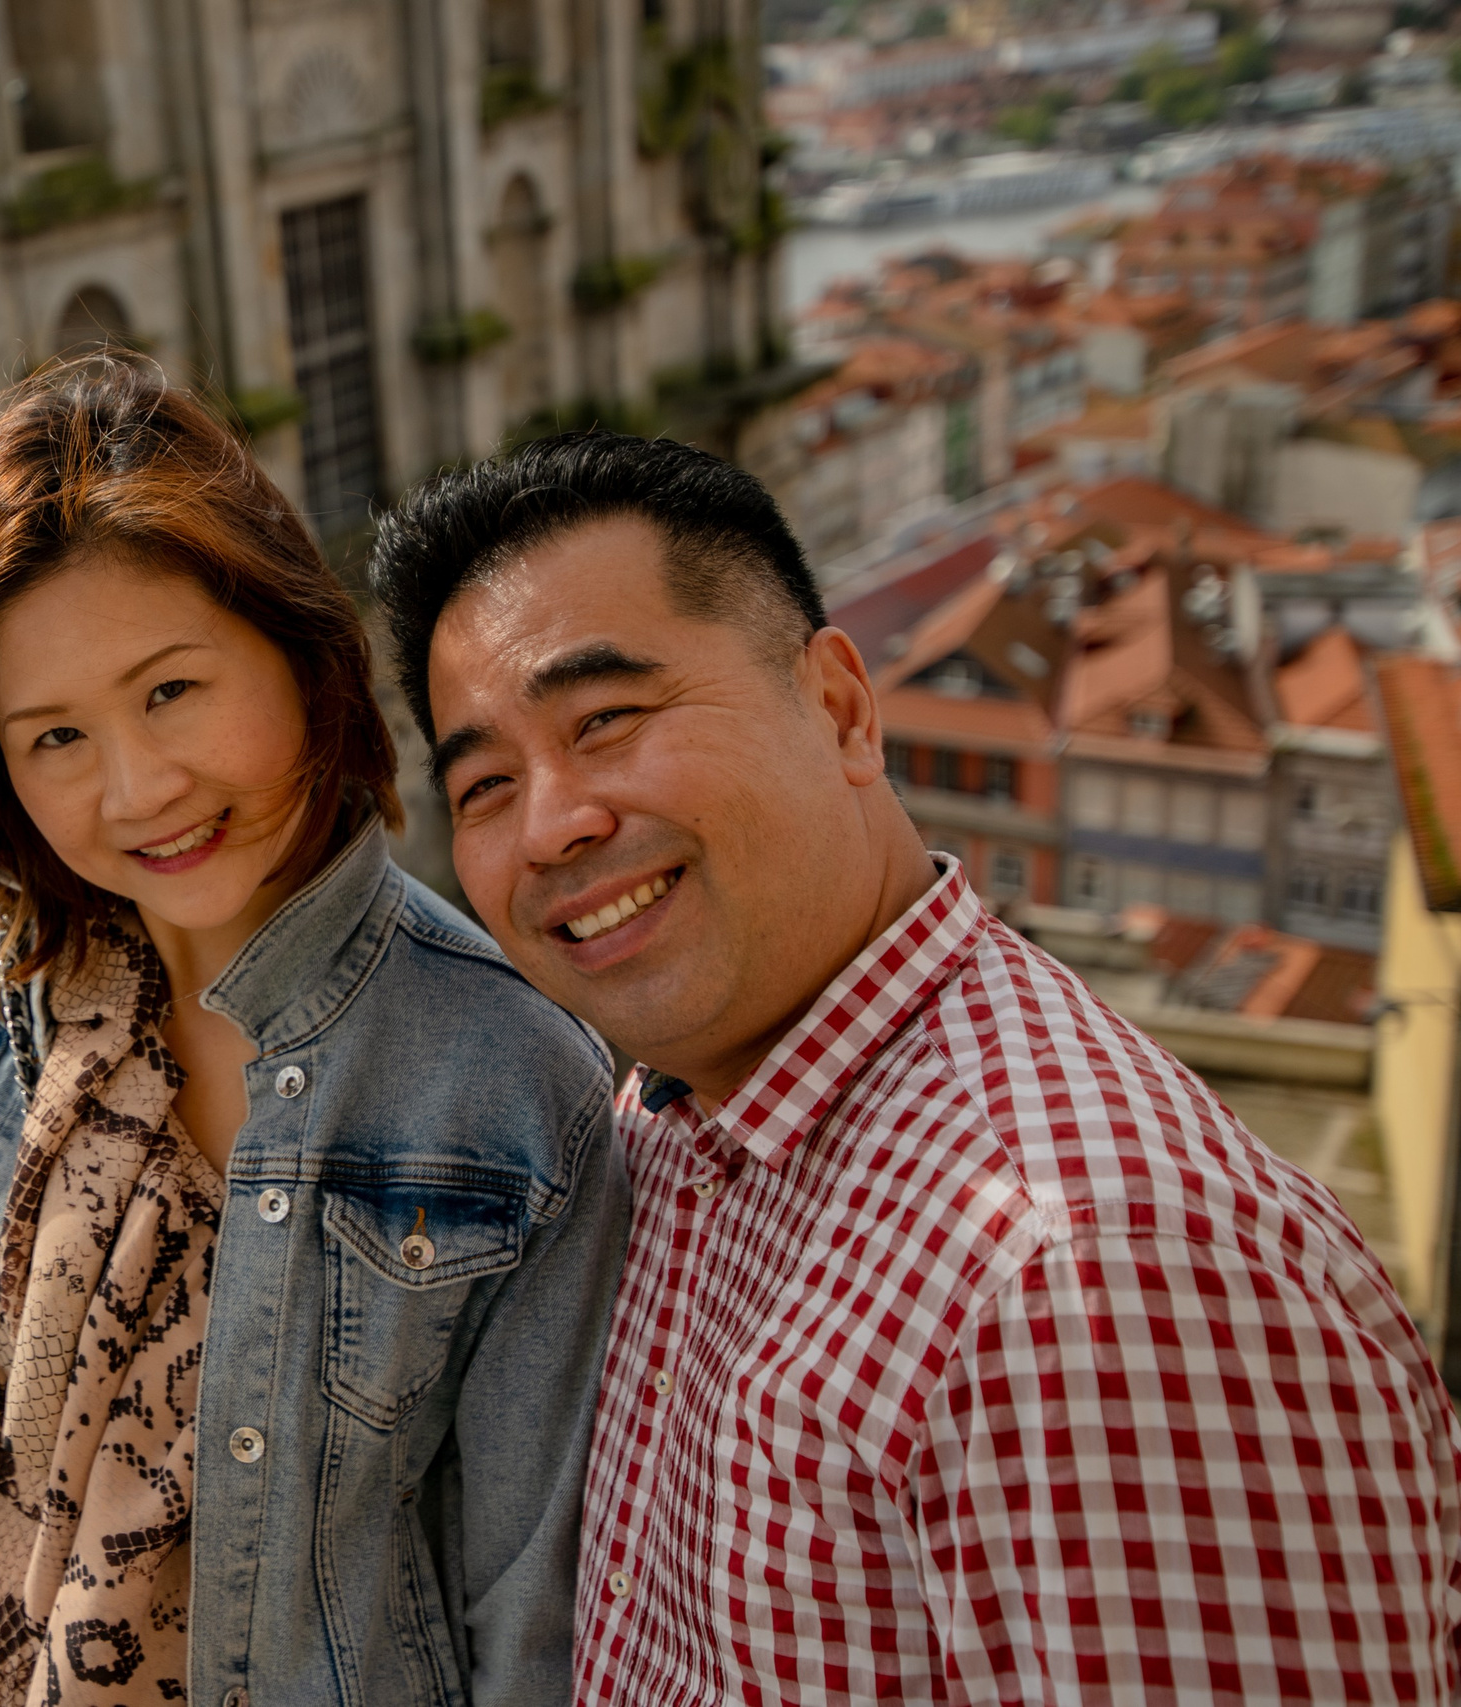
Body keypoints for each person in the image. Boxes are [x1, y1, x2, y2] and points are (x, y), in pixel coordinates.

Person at [369, 431, 1461, 1705]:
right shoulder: (673, 1117)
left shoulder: (1092, 1275)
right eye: (487, 784)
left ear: (839, 710)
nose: (552, 822)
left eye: (605, 720)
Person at [0, 357, 629, 1707]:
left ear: (297, 649)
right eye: (54, 734)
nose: (137, 789)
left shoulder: (507, 1085)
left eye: (172, 689)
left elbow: (524, 1612)